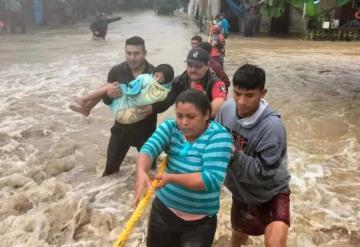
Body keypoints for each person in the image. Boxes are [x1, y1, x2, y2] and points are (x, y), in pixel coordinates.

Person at [133, 89, 233, 247]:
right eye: (179, 116)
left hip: (199, 223)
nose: (184, 123)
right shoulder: (171, 127)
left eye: (191, 117)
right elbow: (148, 149)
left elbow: (210, 179)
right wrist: (141, 172)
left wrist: (171, 178)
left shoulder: (219, 137)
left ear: (206, 114)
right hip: (163, 213)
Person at [215, 64, 291, 247]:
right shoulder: (226, 110)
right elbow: (213, 138)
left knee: (275, 244)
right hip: (241, 193)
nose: (241, 101)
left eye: (249, 95)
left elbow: (265, 173)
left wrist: (234, 155)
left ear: (262, 93)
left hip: (272, 193)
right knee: (237, 240)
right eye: (237, 93)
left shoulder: (273, 128)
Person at [101, 36, 169, 176]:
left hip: (146, 133)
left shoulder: (155, 74)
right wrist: (109, 95)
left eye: (136, 53)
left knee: (150, 174)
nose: (132, 58)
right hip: (120, 131)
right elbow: (106, 101)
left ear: (145, 53)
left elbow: (165, 101)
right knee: (110, 172)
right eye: (129, 53)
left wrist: (153, 108)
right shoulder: (116, 71)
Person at [69, 64, 174, 124]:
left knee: (108, 85)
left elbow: (135, 90)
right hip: (129, 111)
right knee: (107, 87)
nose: (157, 79)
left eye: (160, 78)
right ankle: (87, 107)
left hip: (129, 106)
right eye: (156, 75)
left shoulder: (148, 78)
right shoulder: (165, 91)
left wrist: (128, 90)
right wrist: (110, 95)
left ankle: (84, 101)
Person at [157, 47, 228, 120]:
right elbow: (166, 100)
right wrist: (152, 107)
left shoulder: (215, 82)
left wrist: (196, 118)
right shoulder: (178, 81)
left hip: (209, 126)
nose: (193, 70)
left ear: (207, 66)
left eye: (198, 66)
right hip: (185, 125)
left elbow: (219, 102)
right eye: (190, 65)